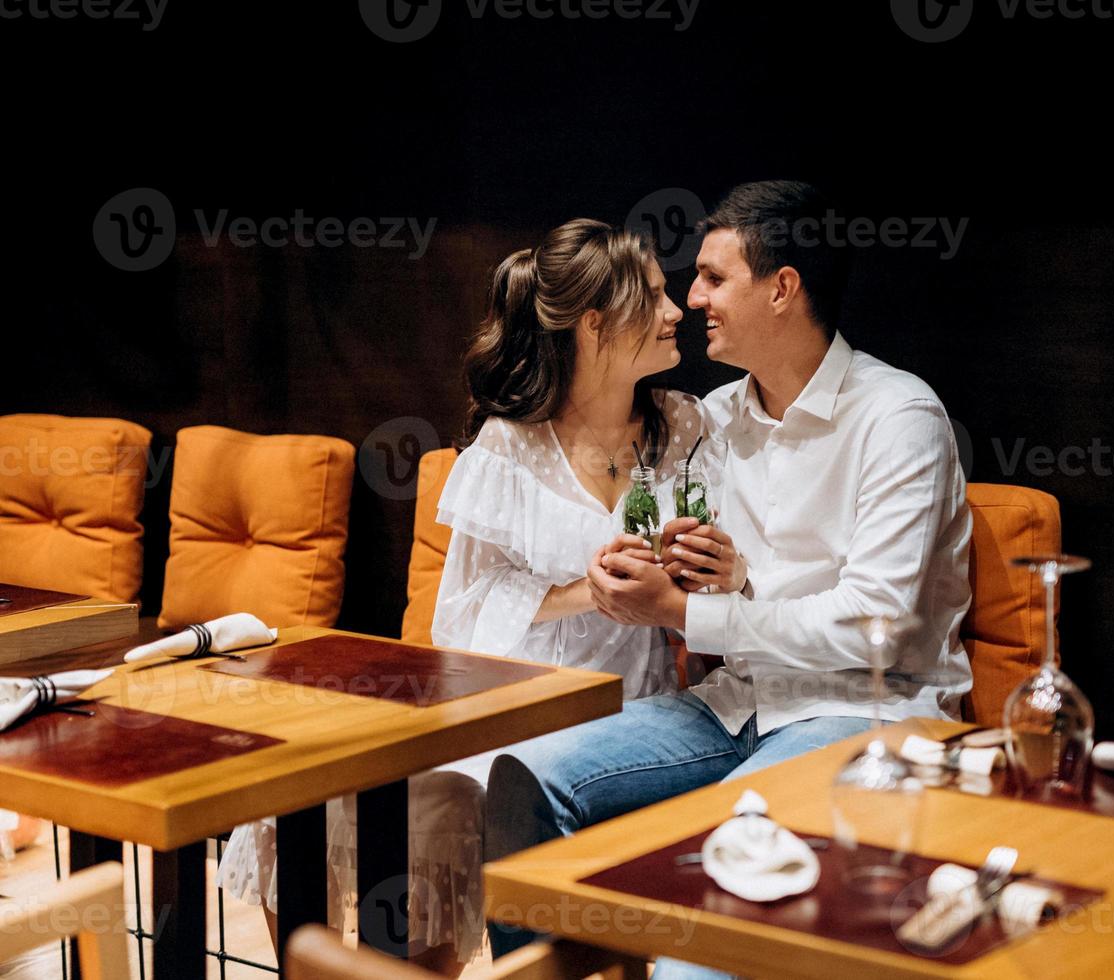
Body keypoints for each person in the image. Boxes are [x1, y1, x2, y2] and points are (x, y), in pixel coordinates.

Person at [482, 181, 975, 977]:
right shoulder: (712, 420)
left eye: (714, 277)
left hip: (866, 710)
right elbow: (676, 545)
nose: (690, 297)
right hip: (734, 706)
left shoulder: (897, 419)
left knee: (717, 877)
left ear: (783, 288)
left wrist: (693, 610)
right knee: (525, 781)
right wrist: (631, 569)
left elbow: (873, 622)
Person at [218, 218, 725, 975]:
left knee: (447, 801)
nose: (675, 308)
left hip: (625, 710)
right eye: (651, 296)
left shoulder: (685, 425)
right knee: (313, 789)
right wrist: (582, 592)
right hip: (507, 693)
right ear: (593, 325)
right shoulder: (510, 445)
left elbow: (717, 561)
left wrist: (696, 571)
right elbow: (463, 614)